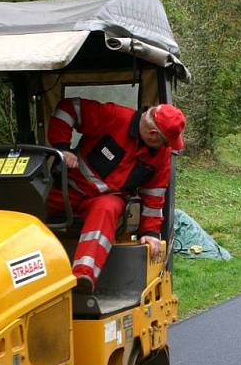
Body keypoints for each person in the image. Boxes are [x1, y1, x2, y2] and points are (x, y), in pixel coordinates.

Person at [47, 97, 186, 292]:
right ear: (153, 134)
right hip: (67, 188)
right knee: (28, 210)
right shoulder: (114, 117)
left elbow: (154, 197)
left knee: (108, 208)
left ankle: (83, 278)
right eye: (166, 142)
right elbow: (69, 108)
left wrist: (150, 233)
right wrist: (61, 148)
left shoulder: (161, 157)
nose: (167, 148)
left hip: (105, 200)